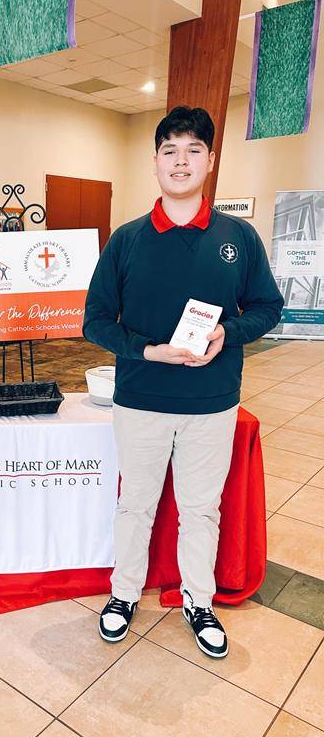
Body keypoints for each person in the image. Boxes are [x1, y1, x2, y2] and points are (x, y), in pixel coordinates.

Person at [83, 106, 283, 659]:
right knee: (136, 505)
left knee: (201, 509)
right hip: (141, 401)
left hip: (211, 403)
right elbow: (95, 319)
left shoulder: (237, 238)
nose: (181, 161)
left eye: (194, 149)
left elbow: (269, 307)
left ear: (210, 160)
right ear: (154, 161)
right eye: (170, 150)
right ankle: (123, 594)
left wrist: (227, 333)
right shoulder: (127, 240)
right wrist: (146, 350)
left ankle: (199, 600)